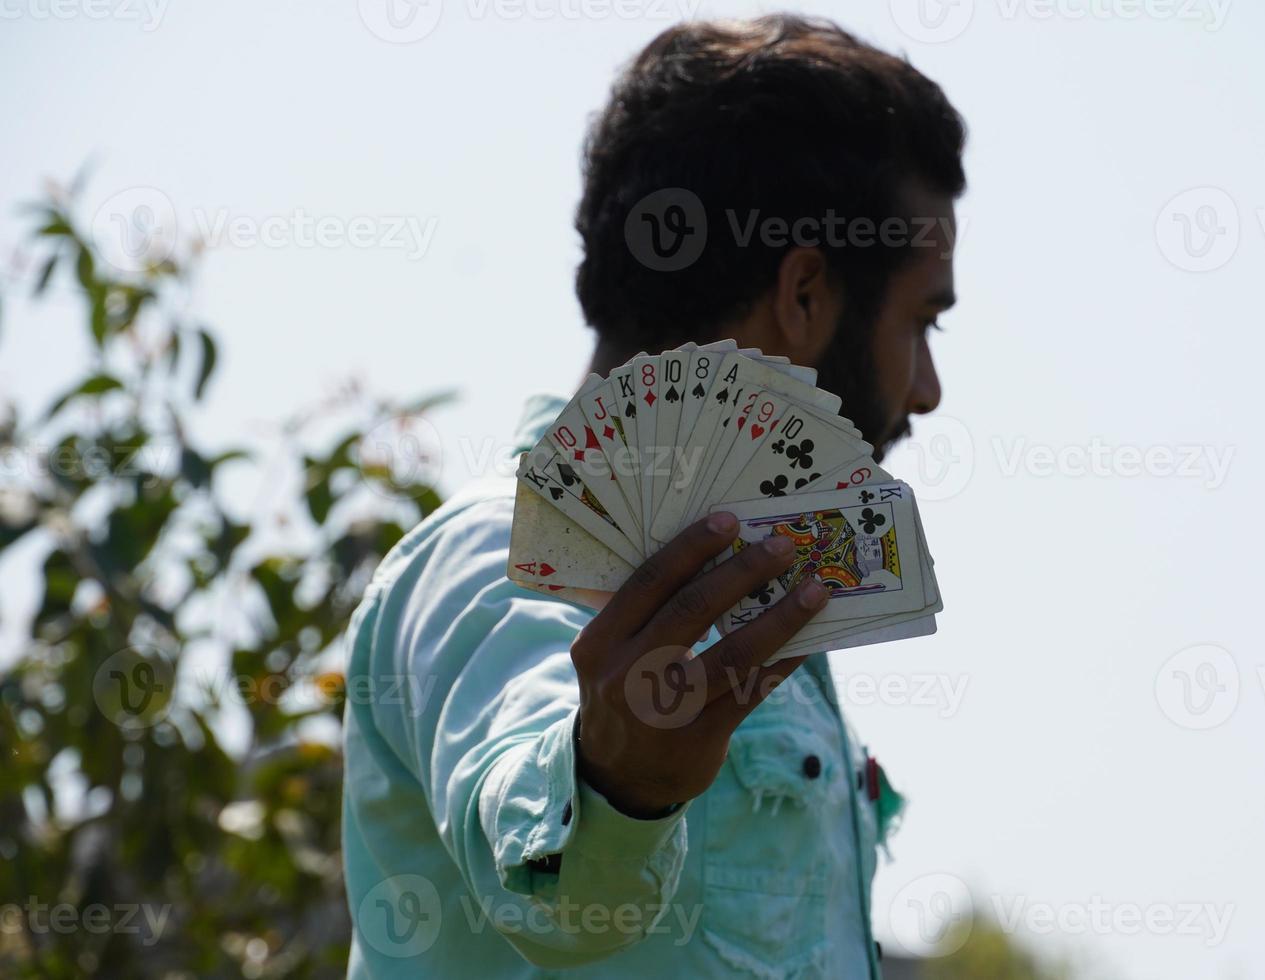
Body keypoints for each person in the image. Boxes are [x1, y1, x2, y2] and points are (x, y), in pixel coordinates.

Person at [343, 14, 966, 978]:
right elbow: (548, 885)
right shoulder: (485, 560)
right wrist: (613, 789)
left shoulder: (755, 588)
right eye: (923, 321)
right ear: (806, 294)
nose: (926, 388)